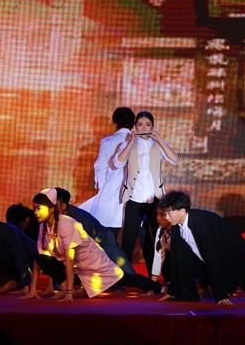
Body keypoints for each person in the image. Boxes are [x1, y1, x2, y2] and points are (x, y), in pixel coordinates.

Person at [21, 188, 161, 302]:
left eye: (39, 208)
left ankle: (159, 287)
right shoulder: (43, 226)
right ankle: (67, 287)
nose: (35, 213)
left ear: (53, 208)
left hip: (96, 259)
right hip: (78, 267)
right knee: (41, 258)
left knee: (127, 278)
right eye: (34, 209)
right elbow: (42, 259)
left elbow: (73, 257)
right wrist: (34, 289)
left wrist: (69, 293)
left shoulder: (71, 222)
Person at [158, 190, 245, 305]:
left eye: (169, 213)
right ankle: (189, 294)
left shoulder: (202, 223)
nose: (166, 217)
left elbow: (213, 257)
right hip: (211, 263)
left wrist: (220, 295)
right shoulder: (176, 226)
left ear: (182, 211)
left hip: (237, 260)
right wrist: (173, 291)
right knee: (182, 257)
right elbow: (177, 260)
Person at [116, 111, 179, 275]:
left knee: (158, 239)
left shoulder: (157, 144)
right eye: (140, 124)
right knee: (128, 240)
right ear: (135, 127)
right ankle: (124, 277)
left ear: (153, 127)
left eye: (148, 125)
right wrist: (131, 141)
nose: (144, 128)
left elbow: (174, 159)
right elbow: (117, 163)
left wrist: (159, 139)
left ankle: (164, 275)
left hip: (155, 201)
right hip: (134, 199)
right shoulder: (128, 144)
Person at [79, 107, 135, 237]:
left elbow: (100, 167)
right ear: (133, 123)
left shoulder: (107, 141)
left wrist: (102, 189)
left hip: (110, 190)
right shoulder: (137, 141)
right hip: (133, 192)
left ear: (114, 123)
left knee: (107, 232)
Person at [53, 187, 136, 275]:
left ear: (63, 206)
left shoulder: (80, 218)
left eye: (54, 204)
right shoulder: (57, 218)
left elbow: (89, 243)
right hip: (91, 249)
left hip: (105, 243)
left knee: (129, 273)